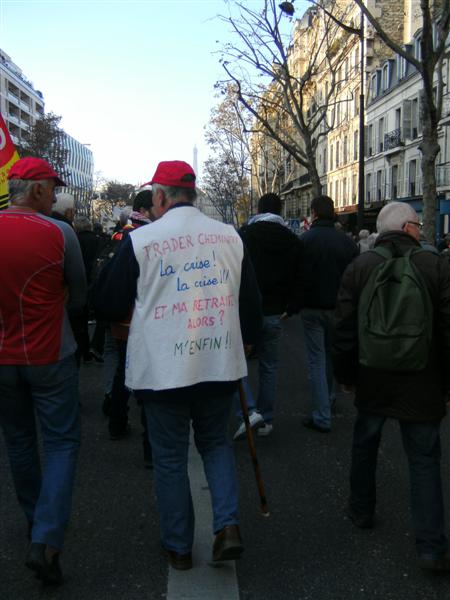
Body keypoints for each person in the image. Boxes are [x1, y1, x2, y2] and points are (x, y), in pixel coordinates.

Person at [94, 160, 262, 570]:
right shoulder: (230, 237)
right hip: (217, 362)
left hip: (162, 369)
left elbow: (109, 302)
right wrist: (248, 344)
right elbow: (251, 303)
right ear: (194, 195)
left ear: (160, 197)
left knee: (169, 458)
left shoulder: (141, 241)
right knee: (215, 444)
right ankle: (227, 526)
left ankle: (179, 547)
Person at [333, 201, 450, 572]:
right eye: (418, 225)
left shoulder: (360, 266)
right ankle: (431, 546)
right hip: (423, 380)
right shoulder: (436, 266)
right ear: (410, 228)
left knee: (365, 444)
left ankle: (361, 509)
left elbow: (344, 330)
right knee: (425, 459)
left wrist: (347, 377)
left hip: (373, 376)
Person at [0, 157, 86, 584]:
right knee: (61, 443)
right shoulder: (59, 232)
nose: (55, 194)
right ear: (34, 189)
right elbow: (79, 294)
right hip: (49, 353)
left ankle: (37, 520)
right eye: (51, 187)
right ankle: (48, 537)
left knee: (18, 442)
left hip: (2, 358)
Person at [233, 192, 301, 439]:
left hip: (244, 309)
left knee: (236, 363)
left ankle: (247, 411)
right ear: (280, 210)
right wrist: (290, 306)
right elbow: (298, 276)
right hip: (275, 310)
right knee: (269, 366)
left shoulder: (244, 235)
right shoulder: (291, 239)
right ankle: (266, 417)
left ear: (259, 210)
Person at [298, 195, 358, 433]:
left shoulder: (305, 240)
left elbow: (299, 277)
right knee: (330, 355)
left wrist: (294, 304)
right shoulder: (346, 243)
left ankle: (321, 414)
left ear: (313, 212)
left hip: (311, 308)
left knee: (316, 359)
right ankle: (329, 398)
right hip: (338, 308)